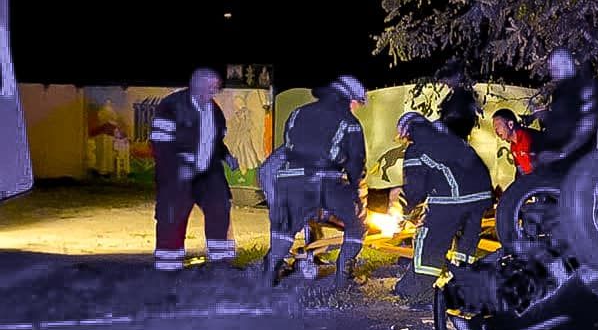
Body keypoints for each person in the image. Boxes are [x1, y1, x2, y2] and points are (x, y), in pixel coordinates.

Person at [263, 75, 369, 288]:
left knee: (285, 230)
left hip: (289, 180)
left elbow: (291, 147)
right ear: (350, 98)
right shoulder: (349, 122)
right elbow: (356, 161)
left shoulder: (297, 113)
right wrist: (355, 190)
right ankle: (343, 277)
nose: (357, 108)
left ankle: (268, 275)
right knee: (357, 224)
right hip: (323, 179)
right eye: (358, 103)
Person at [392, 111, 492, 305]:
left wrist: (402, 212)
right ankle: (462, 288)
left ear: (408, 132)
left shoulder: (417, 148)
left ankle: (417, 291)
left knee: (428, 239)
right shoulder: (450, 138)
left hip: (452, 199)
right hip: (480, 198)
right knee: (464, 248)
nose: (405, 141)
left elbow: (415, 190)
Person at [148, 68, 238, 272]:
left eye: (216, 88)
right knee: (172, 216)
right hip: (177, 175)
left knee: (219, 207)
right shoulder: (171, 107)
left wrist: (226, 156)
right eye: (211, 87)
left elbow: (215, 141)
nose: (214, 92)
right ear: (196, 85)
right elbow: (160, 144)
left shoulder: (213, 110)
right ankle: (168, 267)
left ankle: (220, 264)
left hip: (208, 173)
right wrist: (178, 169)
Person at [533, 48, 598, 173]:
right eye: (551, 69)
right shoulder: (560, 91)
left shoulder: (584, 87)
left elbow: (587, 125)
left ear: (567, 63)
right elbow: (563, 121)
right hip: (555, 160)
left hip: (574, 161)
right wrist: (547, 117)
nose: (552, 73)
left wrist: (563, 152)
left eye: (555, 68)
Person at [435, 61, 482, 143]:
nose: (445, 83)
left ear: (458, 76)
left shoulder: (463, 94)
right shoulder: (453, 95)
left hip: (455, 136)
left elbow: (466, 119)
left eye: (447, 79)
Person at [491, 108, 538, 176]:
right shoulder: (513, 147)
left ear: (510, 124)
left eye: (499, 125)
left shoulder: (528, 137)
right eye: (495, 127)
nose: (496, 130)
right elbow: (520, 171)